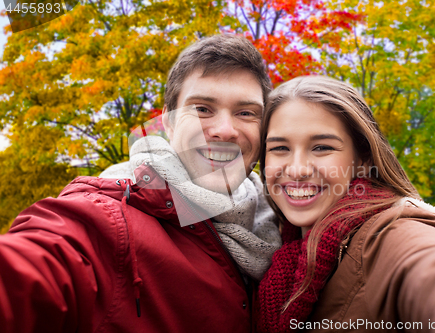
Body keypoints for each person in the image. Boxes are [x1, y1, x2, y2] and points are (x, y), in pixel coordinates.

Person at [0, 34, 282, 333]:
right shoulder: (110, 221)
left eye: (245, 113)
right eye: (202, 108)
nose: (225, 130)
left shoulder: (285, 225)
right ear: (168, 123)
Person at [256, 76, 435, 332]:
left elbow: (434, 272)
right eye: (280, 148)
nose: (297, 169)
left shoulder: (389, 232)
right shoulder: (277, 247)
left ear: (363, 159)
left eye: (322, 147)